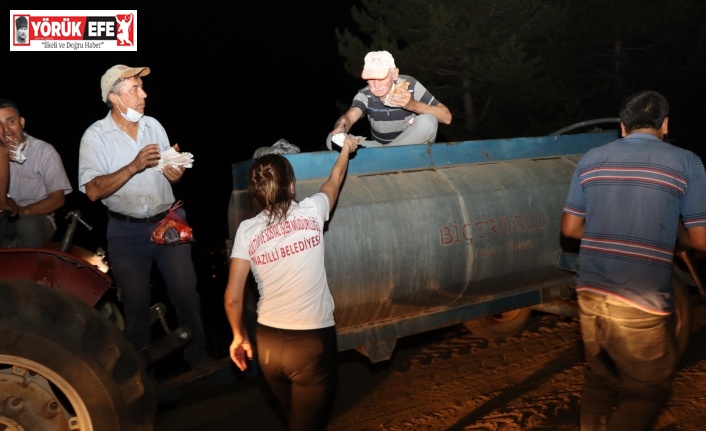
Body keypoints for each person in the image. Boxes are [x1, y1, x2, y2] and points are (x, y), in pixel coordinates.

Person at [561, 90, 706, 431]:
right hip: (640, 300)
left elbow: (570, 228)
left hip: (590, 292)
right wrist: (668, 235)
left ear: (623, 127)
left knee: (600, 378)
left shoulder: (591, 159)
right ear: (665, 125)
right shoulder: (687, 163)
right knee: (647, 391)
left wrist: (609, 233)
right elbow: (700, 239)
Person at [78, 64, 217, 374]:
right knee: (136, 307)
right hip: (125, 232)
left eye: (141, 88)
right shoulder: (95, 137)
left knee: (186, 294)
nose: (144, 95)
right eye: (135, 90)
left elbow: (170, 171)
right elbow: (92, 191)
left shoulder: (153, 125)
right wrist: (134, 165)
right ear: (114, 97)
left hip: (167, 222)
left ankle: (198, 358)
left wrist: (175, 171)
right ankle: (142, 377)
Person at [225, 136, 359, 430]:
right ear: (292, 186)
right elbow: (335, 178)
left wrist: (239, 336)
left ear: (255, 193)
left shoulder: (246, 231)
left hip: (269, 346)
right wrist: (346, 150)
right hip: (310, 345)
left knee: (295, 420)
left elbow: (233, 298)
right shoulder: (313, 211)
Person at [326, 50, 452, 150]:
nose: (376, 85)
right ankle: (388, 155)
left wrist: (412, 105)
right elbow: (350, 117)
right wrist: (341, 126)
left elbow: (446, 117)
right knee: (332, 139)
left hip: (412, 147)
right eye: (371, 79)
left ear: (395, 74)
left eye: (381, 78)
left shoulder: (410, 85)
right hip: (379, 148)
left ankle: (387, 156)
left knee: (428, 121)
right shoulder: (365, 94)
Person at [0, 99, 72, 248]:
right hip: (5, 217)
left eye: (11, 121)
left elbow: (58, 199)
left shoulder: (45, 152)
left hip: (38, 218)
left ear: (22, 122)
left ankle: (31, 269)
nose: (5, 129)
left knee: (28, 224)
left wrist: (22, 211)